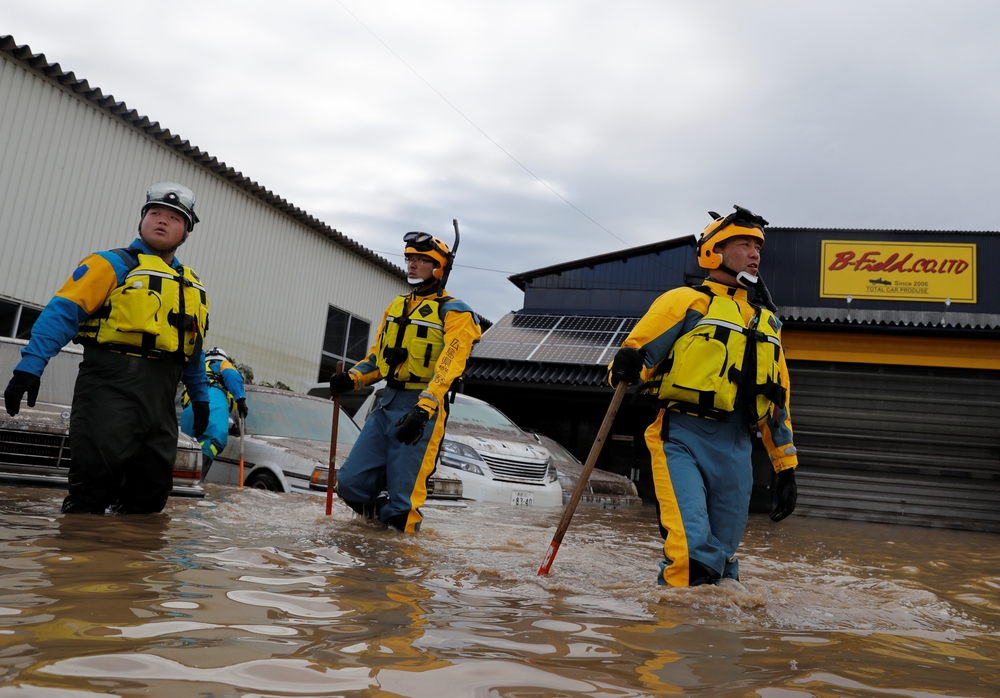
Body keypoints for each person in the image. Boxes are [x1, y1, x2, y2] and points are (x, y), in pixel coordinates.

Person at [609, 205, 798, 587]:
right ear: (714, 251)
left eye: (757, 246)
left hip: (737, 448)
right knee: (692, 554)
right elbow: (630, 364)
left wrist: (785, 466)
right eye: (744, 244)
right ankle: (673, 638)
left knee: (722, 562)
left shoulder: (767, 322)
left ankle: (711, 640)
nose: (755, 254)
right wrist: (625, 365)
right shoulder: (685, 302)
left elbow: (778, 404)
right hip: (682, 438)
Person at [3, 182, 212, 515]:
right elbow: (61, 313)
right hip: (109, 390)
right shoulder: (111, 263)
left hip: (160, 403)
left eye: (174, 218)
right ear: (142, 221)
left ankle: (126, 564)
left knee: (151, 498)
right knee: (92, 494)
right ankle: (77, 558)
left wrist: (199, 397)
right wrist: (30, 367)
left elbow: (193, 347)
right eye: (154, 213)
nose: (161, 220)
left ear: (186, 232)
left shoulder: (189, 283)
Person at [330, 229, 482, 532]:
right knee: (348, 484)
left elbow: (448, 365)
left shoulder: (456, 313)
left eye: (422, 260)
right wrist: (351, 379)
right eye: (410, 259)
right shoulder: (397, 305)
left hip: (422, 409)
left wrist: (425, 408)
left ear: (439, 268)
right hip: (386, 404)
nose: (412, 265)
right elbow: (377, 360)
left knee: (403, 507)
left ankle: (398, 568)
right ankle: (372, 542)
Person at [181, 347, 248, 480]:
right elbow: (232, 375)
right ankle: (198, 481)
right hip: (214, 406)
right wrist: (240, 399)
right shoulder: (221, 364)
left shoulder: (198, 369)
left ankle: (182, 487)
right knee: (211, 442)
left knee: (187, 449)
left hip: (189, 411)